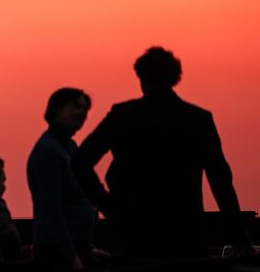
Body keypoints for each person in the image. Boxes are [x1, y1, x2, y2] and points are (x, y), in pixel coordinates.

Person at [71, 47, 255, 258]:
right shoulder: (198, 119)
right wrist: (240, 237)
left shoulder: (123, 115)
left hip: (135, 235)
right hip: (187, 235)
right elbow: (221, 181)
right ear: (176, 78)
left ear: (140, 78)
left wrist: (110, 208)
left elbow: (80, 162)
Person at [28, 88, 104, 268]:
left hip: (76, 248)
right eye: (75, 107)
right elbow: (51, 207)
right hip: (57, 253)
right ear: (56, 110)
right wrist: (70, 255)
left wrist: (87, 247)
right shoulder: (49, 150)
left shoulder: (69, 147)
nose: (82, 113)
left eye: (85, 109)